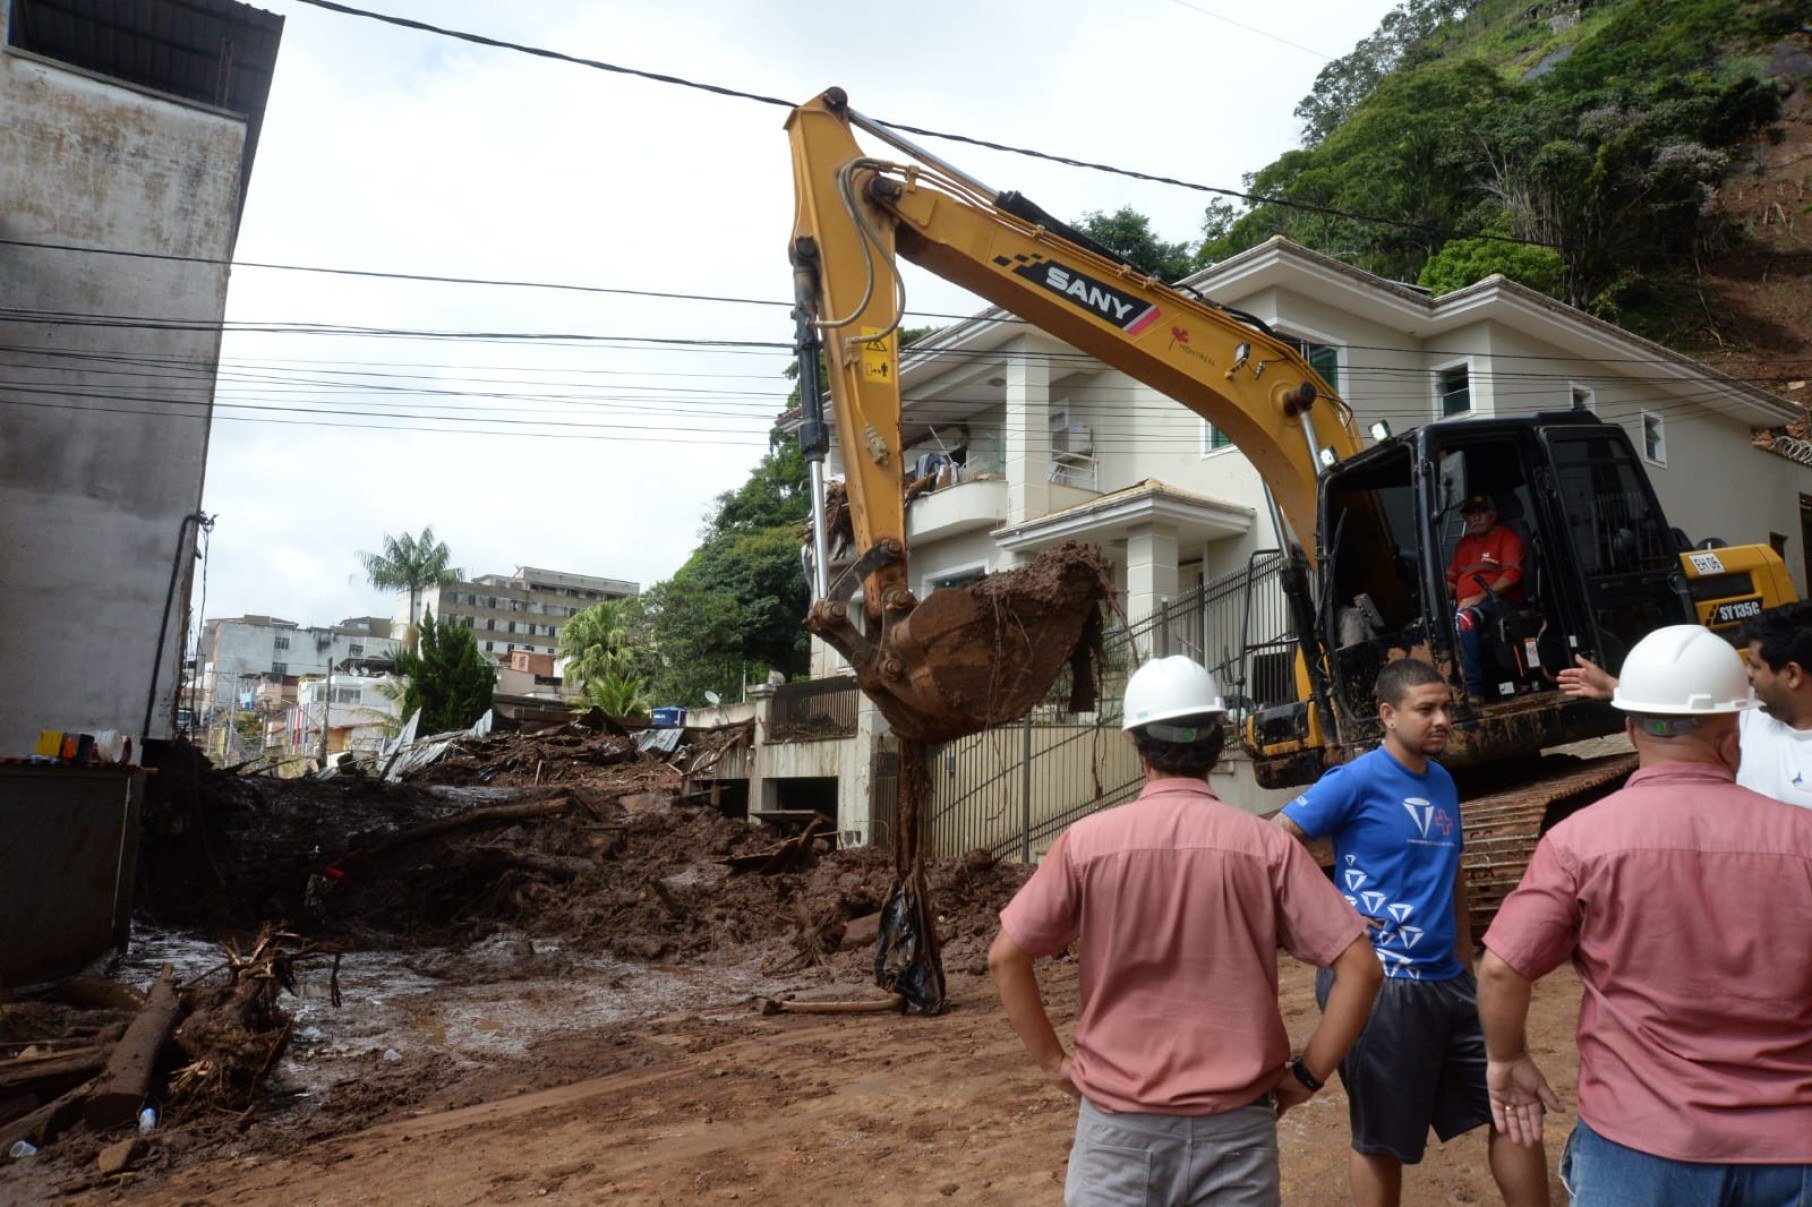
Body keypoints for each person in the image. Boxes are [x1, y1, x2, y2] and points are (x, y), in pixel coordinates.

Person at [990, 656, 1381, 1206]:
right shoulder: (1267, 846)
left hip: (1117, 1134)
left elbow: (1006, 957)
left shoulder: (1085, 843)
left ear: (1139, 747)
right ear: (1217, 744)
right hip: (1238, 1135)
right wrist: (1310, 1076)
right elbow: (1361, 968)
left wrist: (1055, 1063)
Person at [1479, 624, 1812, 1203]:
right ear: (1733, 735)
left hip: (1638, 1142)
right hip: (1793, 1145)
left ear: (1631, 729)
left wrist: (1508, 1059)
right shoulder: (1803, 839)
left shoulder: (1579, 839)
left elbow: (1502, 968)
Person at [1276, 658, 1549, 1207]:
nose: (1443, 719)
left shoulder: (1444, 781)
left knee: (1514, 1105)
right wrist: (1331, 909)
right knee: (1381, 1140)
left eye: (1446, 706)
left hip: (1450, 982)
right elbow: (1274, 843)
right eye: (1426, 709)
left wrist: (1466, 964)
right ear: (1388, 715)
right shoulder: (1356, 779)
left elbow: (1452, 876)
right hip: (1381, 983)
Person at [1557, 599, 1812, 807]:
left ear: (1792, 675)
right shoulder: (1750, 714)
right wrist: (1613, 686)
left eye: (1755, 666)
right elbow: (1684, 700)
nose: (1747, 674)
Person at [1446, 493, 1526, 702]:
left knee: (1465, 618)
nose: (1476, 518)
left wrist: (1479, 598)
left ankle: (1473, 690)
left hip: (1500, 604)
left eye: (1481, 513)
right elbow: (1451, 581)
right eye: (1471, 514)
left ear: (1493, 514)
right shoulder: (1463, 545)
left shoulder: (1507, 538)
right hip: (1469, 605)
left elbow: (1512, 575)